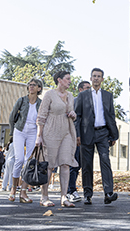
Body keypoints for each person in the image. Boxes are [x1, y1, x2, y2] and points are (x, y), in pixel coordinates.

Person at [75, 68, 119, 205]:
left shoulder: (108, 95)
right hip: (86, 133)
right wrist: (77, 135)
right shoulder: (83, 96)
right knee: (87, 164)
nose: (96, 78)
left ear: (102, 79)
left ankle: (108, 193)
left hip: (103, 133)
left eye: (98, 76)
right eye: (94, 76)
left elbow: (111, 115)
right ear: (90, 78)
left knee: (105, 161)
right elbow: (77, 117)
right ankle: (87, 194)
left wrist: (113, 135)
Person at [36, 70, 78, 208]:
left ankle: (64, 197)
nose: (70, 81)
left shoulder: (71, 95)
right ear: (59, 80)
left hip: (66, 131)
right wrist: (39, 136)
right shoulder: (49, 94)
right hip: (51, 131)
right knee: (49, 166)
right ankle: (44, 197)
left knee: (65, 164)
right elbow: (41, 116)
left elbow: (72, 113)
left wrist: (73, 114)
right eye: (67, 79)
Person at [8, 79, 43, 203]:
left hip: (33, 131)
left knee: (29, 162)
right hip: (20, 130)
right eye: (30, 85)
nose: (31, 87)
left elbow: (42, 119)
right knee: (19, 159)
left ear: (39, 88)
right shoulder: (21, 100)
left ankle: (23, 191)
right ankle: (13, 188)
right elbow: (12, 117)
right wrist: (12, 133)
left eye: (34, 85)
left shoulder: (41, 103)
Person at [66, 80, 90, 203]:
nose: (89, 90)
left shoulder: (89, 104)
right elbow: (75, 121)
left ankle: (72, 189)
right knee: (74, 165)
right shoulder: (75, 101)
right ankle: (70, 191)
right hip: (75, 138)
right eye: (87, 88)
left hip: (86, 139)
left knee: (79, 165)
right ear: (80, 90)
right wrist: (76, 136)